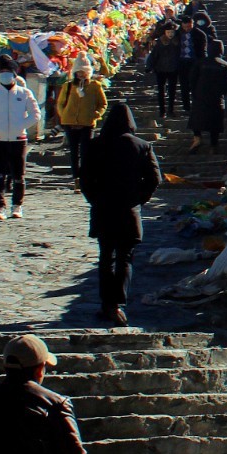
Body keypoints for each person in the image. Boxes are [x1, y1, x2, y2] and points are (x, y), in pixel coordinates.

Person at [79, 102, 160, 327]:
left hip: (103, 209)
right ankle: (118, 303)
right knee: (125, 257)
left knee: (106, 257)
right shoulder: (142, 146)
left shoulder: (95, 145)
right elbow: (155, 179)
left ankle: (106, 303)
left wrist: (95, 199)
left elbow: (85, 179)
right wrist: (139, 198)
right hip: (128, 210)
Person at [0, 71, 40, 221]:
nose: (5, 75)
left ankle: (17, 205)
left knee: (18, 175)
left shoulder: (24, 93)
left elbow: (35, 114)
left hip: (18, 139)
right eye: (2, 72)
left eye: (8, 72)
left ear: (14, 75)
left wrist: (21, 125)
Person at [53, 56, 108, 181]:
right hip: (69, 122)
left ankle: (85, 175)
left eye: (84, 72)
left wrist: (96, 114)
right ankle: (75, 176)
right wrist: (64, 114)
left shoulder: (95, 86)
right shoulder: (68, 86)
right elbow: (60, 103)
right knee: (73, 151)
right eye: (79, 72)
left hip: (87, 123)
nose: (81, 74)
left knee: (85, 151)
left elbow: (103, 103)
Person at [187, 39, 227, 153]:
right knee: (215, 121)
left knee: (197, 119)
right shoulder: (224, 65)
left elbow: (192, 79)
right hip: (216, 98)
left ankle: (197, 138)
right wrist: (222, 92)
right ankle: (213, 144)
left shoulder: (200, 62)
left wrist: (195, 91)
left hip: (200, 96)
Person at [148, 21, 183, 123]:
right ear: (165, 32)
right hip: (161, 69)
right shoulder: (160, 43)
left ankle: (170, 110)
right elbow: (154, 55)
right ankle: (162, 111)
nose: (170, 34)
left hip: (173, 69)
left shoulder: (178, 42)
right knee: (161, 91)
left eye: (172, 32)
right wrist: (150, 66)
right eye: (168, 32)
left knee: (172, 91)